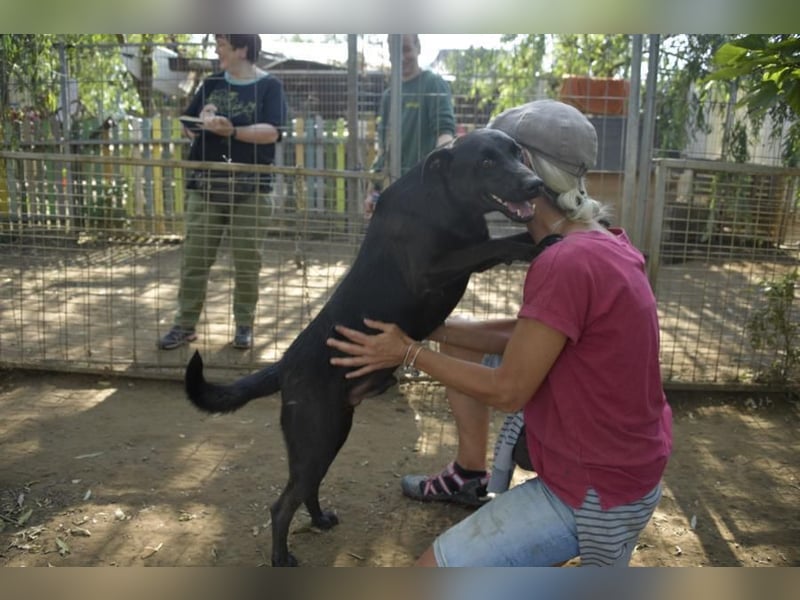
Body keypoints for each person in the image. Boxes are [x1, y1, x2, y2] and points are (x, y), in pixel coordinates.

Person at [326, 99, 673, 567]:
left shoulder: (564, 263)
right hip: (631, 470)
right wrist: (430, 327)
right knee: (458, 341)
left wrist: (406, 353)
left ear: (526, 169)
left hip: (593, 491)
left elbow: (508, 391)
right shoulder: (601, 241)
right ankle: (469, 473)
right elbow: (532, 335)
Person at [158, 34, 288, 350]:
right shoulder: (213, 83)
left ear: (242, 50)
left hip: (251, 186)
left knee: (247, 260)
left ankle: (244, 325)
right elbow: (187, 124)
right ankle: (184, 325)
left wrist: (233, 131)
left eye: (222, 45)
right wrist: (203, 120)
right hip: (206, 183)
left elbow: (272, 132)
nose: (217, 50)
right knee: (195, 258)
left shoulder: (270, 86)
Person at [364, 34, 456, 218]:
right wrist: (372, 191)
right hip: (395, 188)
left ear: (418, 48)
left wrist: (437, 176)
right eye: (395, 51)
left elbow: (445, 135)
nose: (401, 57)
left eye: (406, 49)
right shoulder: (388, 96)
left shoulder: (433, 83)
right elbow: (384, 150)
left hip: (426, 188)